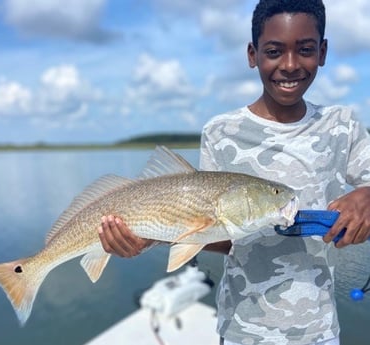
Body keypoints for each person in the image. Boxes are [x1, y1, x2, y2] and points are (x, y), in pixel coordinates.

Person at [97, 0, 370, 344]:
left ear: (323, 51)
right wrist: (153, 234)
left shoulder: (341, 126)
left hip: (319, 331)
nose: (289, 65)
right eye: (274, 51)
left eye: (305, 50)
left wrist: (367, 195)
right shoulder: (221, 132)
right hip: (242, 329)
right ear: (253, 54)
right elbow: (219, 233)